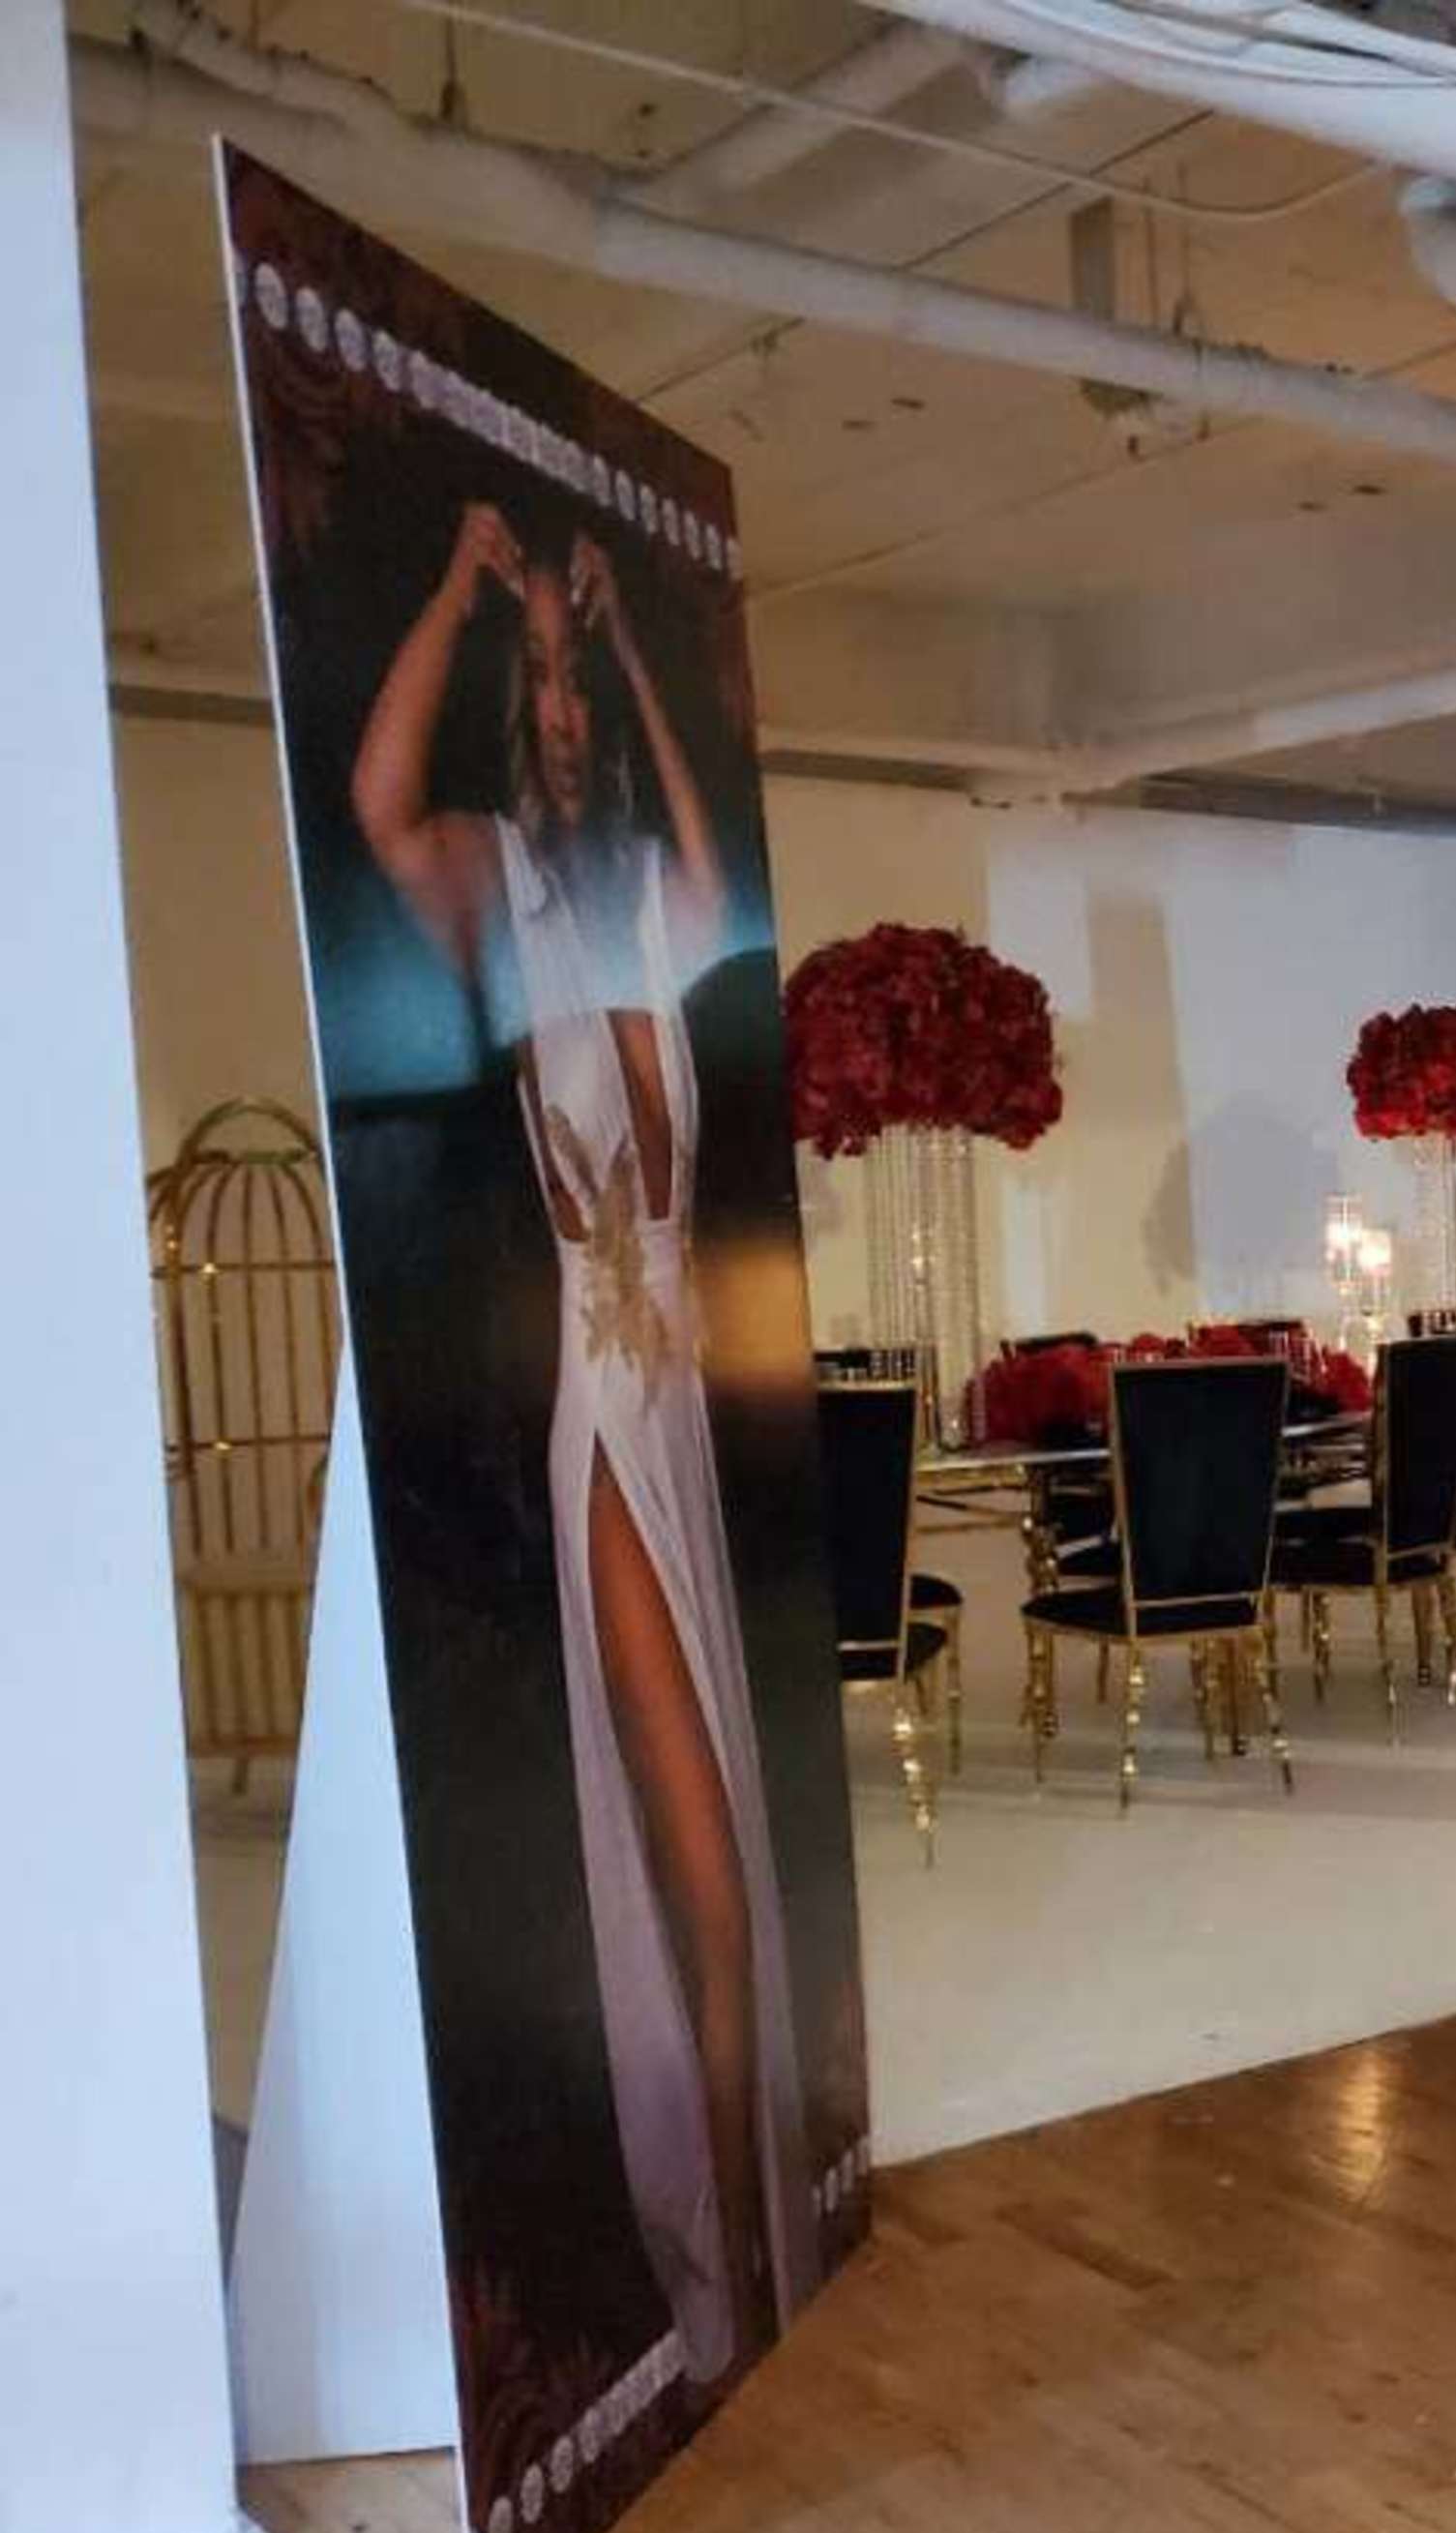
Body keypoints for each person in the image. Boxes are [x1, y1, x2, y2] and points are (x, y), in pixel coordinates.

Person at [353, 496, 818, 2381]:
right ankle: (728, 2284)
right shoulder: (494, 893)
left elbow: (715, 856)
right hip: (602, 1424)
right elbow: (378, 799)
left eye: (572, 691)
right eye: (532, 685)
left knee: (738, 1873)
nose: (555, 715)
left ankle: (757, 2258)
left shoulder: (648, 906)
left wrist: (619, 642)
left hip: (687, 1410)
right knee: (696, 1863)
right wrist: (472, 595)